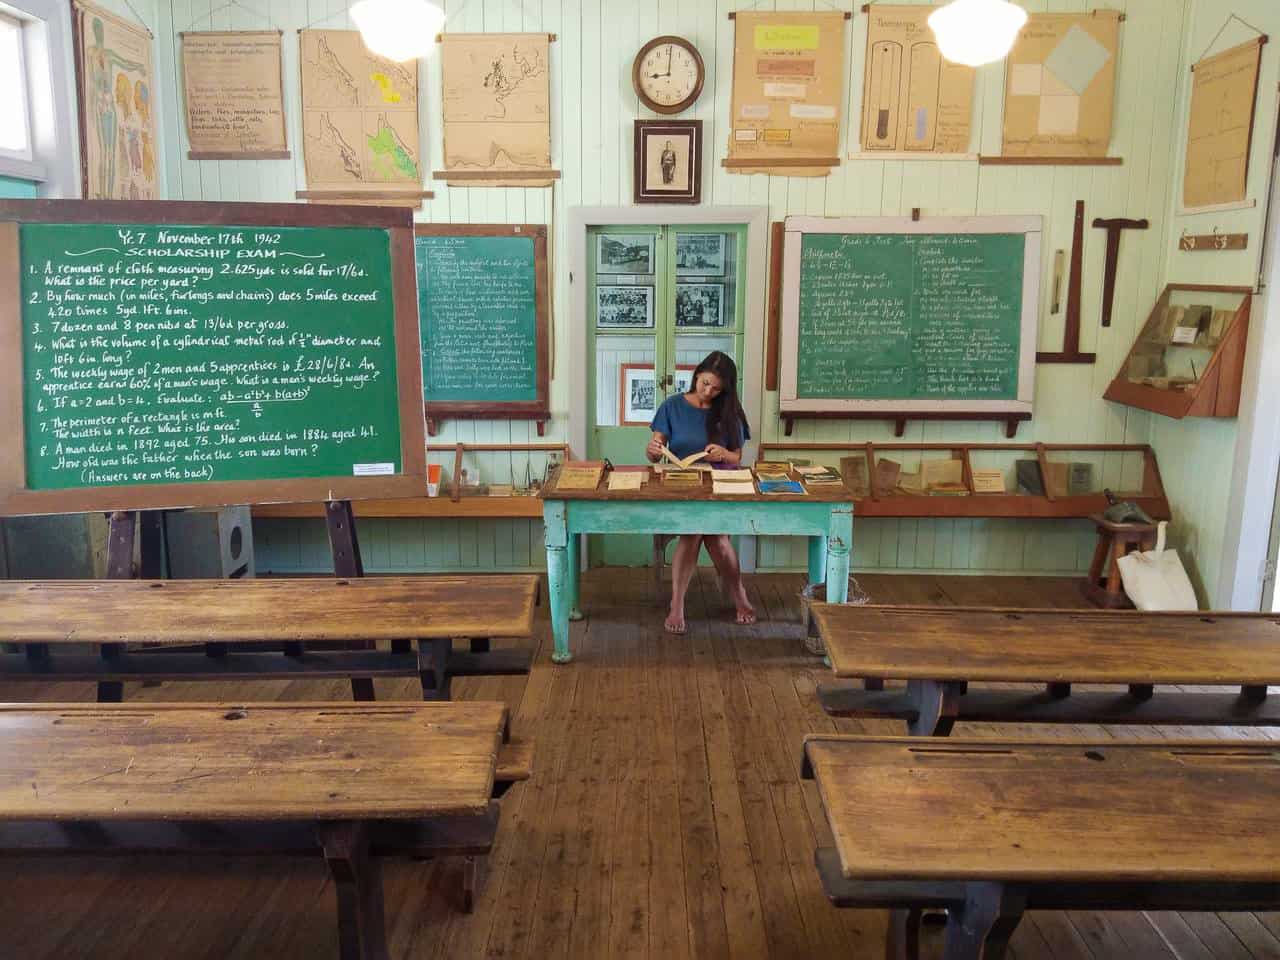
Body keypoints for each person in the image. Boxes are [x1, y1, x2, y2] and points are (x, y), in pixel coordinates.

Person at [646, 350, 756, 634]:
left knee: (717, 539)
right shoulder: (672, 406)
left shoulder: (729, 411)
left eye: (717, 388)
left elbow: (737, 458)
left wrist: (723, 453)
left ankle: (739, 595)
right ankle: (677, 605)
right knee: (694, 532)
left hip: (719, 486)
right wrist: (653, 450)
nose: (708, 392)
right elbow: (655, 452)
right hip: (682, 485)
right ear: (696, 375)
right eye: (705, 383)